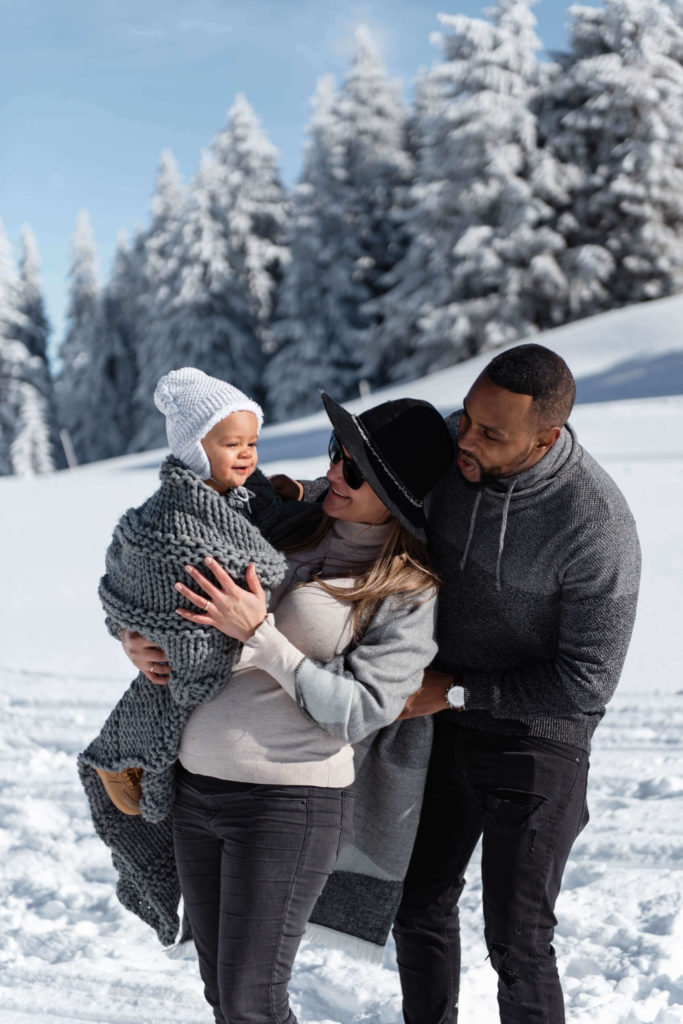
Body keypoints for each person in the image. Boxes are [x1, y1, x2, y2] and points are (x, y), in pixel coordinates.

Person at [278, 343, 641, 1024]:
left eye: (490, 433)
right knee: (417, 905)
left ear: (546, 438)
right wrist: (295, 492)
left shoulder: (594, 529)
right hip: (442, 715)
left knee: (518, 938)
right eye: (466, 417)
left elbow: (585, 683)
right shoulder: (458, 443)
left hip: (538, 738)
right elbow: (375, 479)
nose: (464, 439)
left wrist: (454, 690)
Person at [117, 390, 455, 1024]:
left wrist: (263, 639)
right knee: (223, 992)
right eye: (335, 454)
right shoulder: (282, 525)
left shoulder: (407, 591)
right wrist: (138, 638)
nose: (333, 473)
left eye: (355, 470)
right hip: (197, 790)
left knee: (253, 1000)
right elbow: (160, 579)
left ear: (397, 493)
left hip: (286, 805)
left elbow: (362, 709)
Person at [78, 367, 288, 940]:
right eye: (230, 444)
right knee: (165, 687)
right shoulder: (160, 520)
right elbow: (122, 584)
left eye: (251, 443)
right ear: (195, 447)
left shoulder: (263, 501)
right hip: (189, 662)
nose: (245, 455)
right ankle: (127, 760)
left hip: (245, 674)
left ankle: (127, 758)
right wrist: (129, 632)